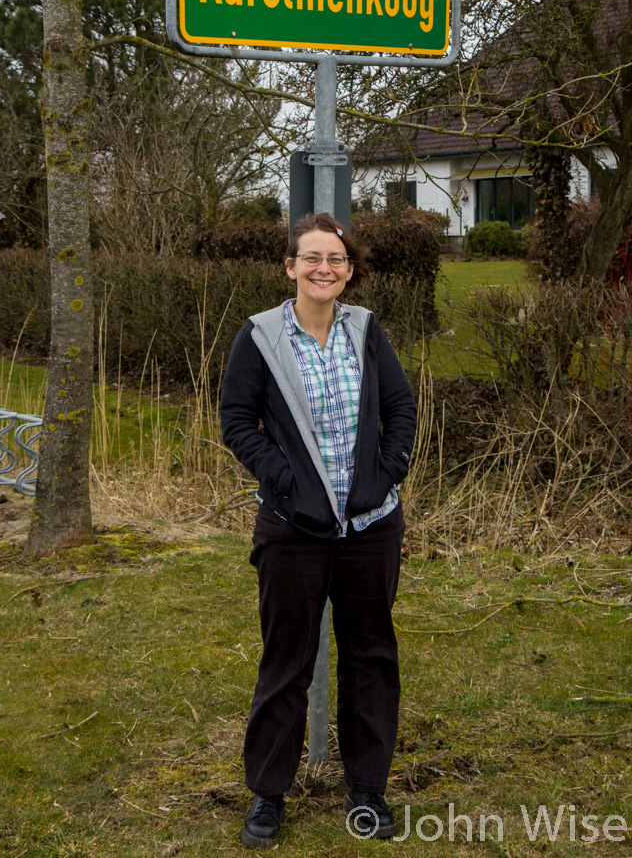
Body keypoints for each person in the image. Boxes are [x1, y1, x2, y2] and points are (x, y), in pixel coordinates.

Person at [220, 212, 417, 848]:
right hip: (292, 528)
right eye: (311, 258)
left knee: (371, 657)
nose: (323, 269)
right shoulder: (260, 337)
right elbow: (237, 422)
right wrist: (287, 484)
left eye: (335, 259)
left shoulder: (366, 331)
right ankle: (268, 795)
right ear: (290, 267)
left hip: (370, 527)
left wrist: (383, 479)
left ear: (349, 270)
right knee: (287, 661)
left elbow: (401, 409)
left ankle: (367, 789)